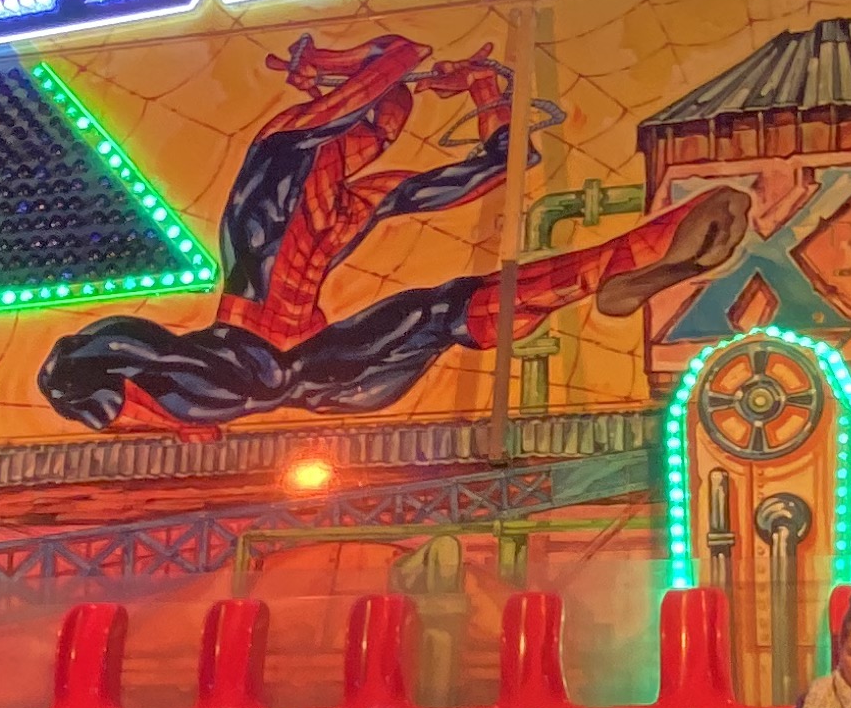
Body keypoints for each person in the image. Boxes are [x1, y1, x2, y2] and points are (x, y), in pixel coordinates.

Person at [40, 34, 748, 433]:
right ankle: (131, 413)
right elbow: (399, 59)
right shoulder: (283, 150)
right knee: (93, 353)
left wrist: (483, 89)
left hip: (309, 368)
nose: (380, 137)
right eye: (374, 127)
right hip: (241, 357)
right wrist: (335, 65)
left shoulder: (362, 197)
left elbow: (494, 164)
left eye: (383, 130)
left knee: (442, 307)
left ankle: (630, 259)